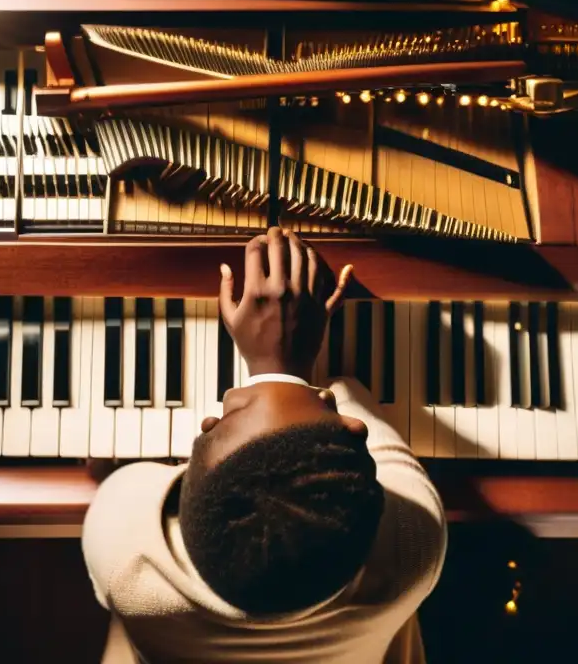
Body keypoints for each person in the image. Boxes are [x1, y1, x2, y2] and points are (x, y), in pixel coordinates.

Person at [82, 227, 448, 663]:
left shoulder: (123, 551)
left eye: (221, 421)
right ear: (351, 427)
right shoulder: (413, 543)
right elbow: (353, 394)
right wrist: (285, 368)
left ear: (186, 473)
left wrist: (270, 368)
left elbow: (113, 476)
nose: (229, 400)